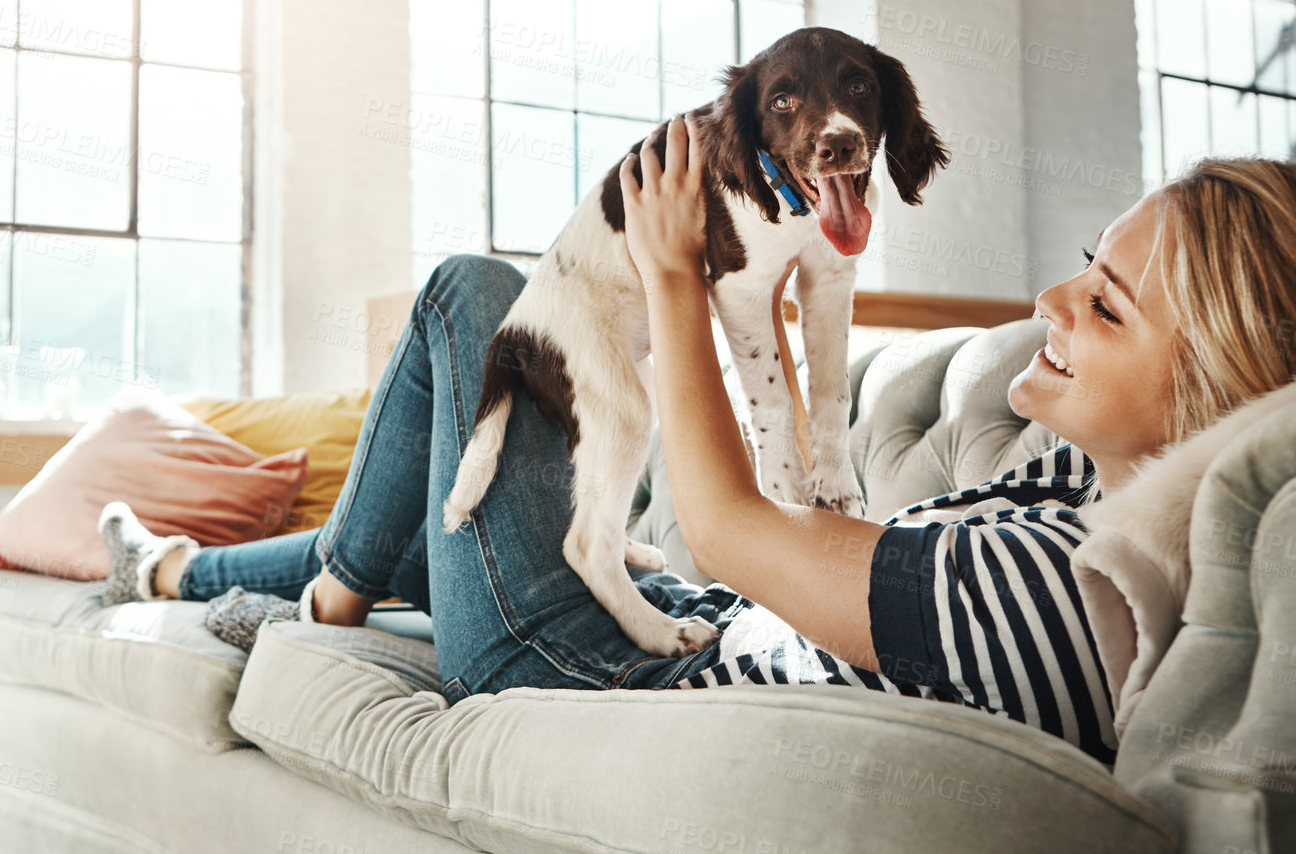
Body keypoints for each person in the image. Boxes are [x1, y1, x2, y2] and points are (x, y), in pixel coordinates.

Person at [105, 131, 1296, 765]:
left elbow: (731, 530)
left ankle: (328, 592)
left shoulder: (1066, 593)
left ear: (1209, 396)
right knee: (445, 507)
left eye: (1104, 306)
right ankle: (171, 569)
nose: (1049, 295)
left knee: (468, 295)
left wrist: (672, 266)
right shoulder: (1080, 484)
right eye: (1084, 265)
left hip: (589, 676)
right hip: (685, 617)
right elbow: (787, 553)